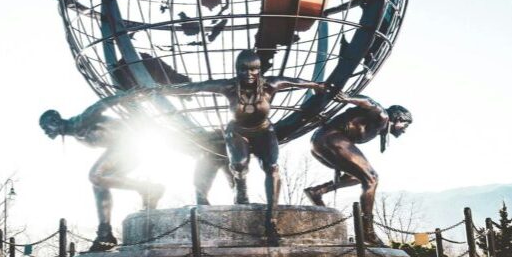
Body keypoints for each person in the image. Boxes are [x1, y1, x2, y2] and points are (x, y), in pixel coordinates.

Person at [147, 49, 332, 244]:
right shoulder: (228, 86)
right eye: (243, 70)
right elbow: (196, 87)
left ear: (259, 70)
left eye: (254, 70)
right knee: (239, 165)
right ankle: (240, 187)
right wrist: (161, 90)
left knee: (272, 167)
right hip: (237, 131)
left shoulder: (270, 84)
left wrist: (317, 86)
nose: (249, 74)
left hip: (263, 131)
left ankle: (271, 220)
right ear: (237, 70)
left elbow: (294, 81)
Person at [39, 99, 230, 251]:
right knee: (99, 184)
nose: (46, 132)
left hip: (129, 144)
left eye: (47, 127)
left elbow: (106, 102)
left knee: (95, 175)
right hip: (125, 150)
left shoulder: (81, 120)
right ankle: (105, 234)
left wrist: (131, 96)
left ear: (55, 121)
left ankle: (150, 189)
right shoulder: (75, 133)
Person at [303, 95, 413, 245]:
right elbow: (371, 103)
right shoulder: (383, 116)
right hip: (330, 139)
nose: (405, 131)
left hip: (319, 143)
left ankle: (318, 191)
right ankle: (367, 234)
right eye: (405, 126)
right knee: (372, 179)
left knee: (357, 177)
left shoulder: (379, 124)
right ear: (399, 119)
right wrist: (348, 98)